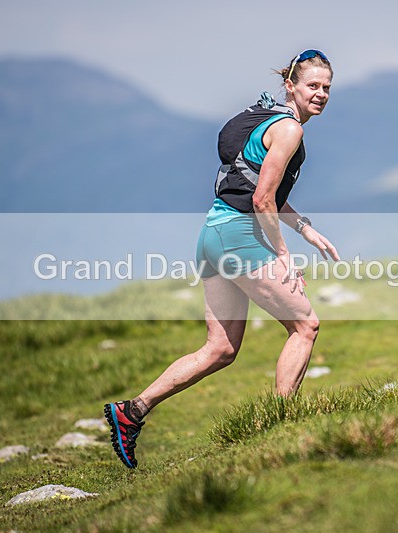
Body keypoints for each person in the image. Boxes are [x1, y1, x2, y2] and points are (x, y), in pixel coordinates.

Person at [104, 49, 340, 469]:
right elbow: (262, 199)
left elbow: (256, 188)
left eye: (326, 87)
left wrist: (304, 228)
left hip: (214, 233)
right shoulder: (289, 129)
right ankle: (280, 425)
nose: (320, 94)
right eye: (312, 86)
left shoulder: (268, 119)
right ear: (291, 86)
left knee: (220, 349)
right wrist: (283, 255)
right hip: (238, 235)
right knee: (305, 326)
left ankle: (131, 411)